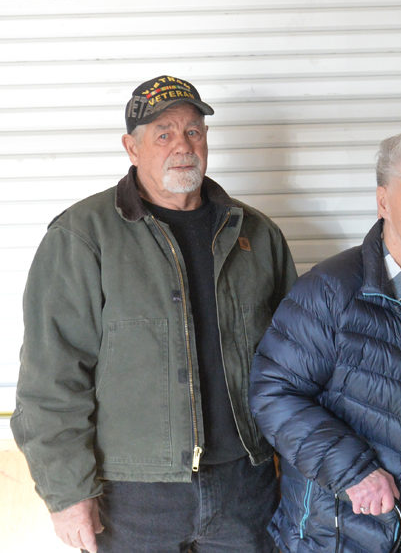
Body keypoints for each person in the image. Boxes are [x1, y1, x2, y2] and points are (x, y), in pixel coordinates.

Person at [12, 75, 297, 552]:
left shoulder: (257, 234)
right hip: (132, 498)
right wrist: (68, 493)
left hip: (246, 488)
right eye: (163, 133)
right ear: (131, 147)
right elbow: (51, 377)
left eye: (193, 131)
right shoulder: (83, 236)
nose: (182, 145)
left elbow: (299, 365)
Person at [249, 128, 401, 552]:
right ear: (382, 202)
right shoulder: (329, 291)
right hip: (344, 534)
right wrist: (353, 470)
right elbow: (273, 394)